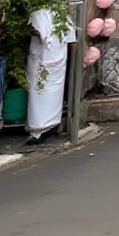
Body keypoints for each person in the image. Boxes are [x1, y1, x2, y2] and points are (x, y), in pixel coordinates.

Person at [26, 8, 75, 145]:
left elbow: (36, 30)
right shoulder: (57, 13)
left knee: (45, 93)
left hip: (48, 58)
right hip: (49, 57)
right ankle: (41, 127)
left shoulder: (44, 13)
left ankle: (42, 128)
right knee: (41, 93)